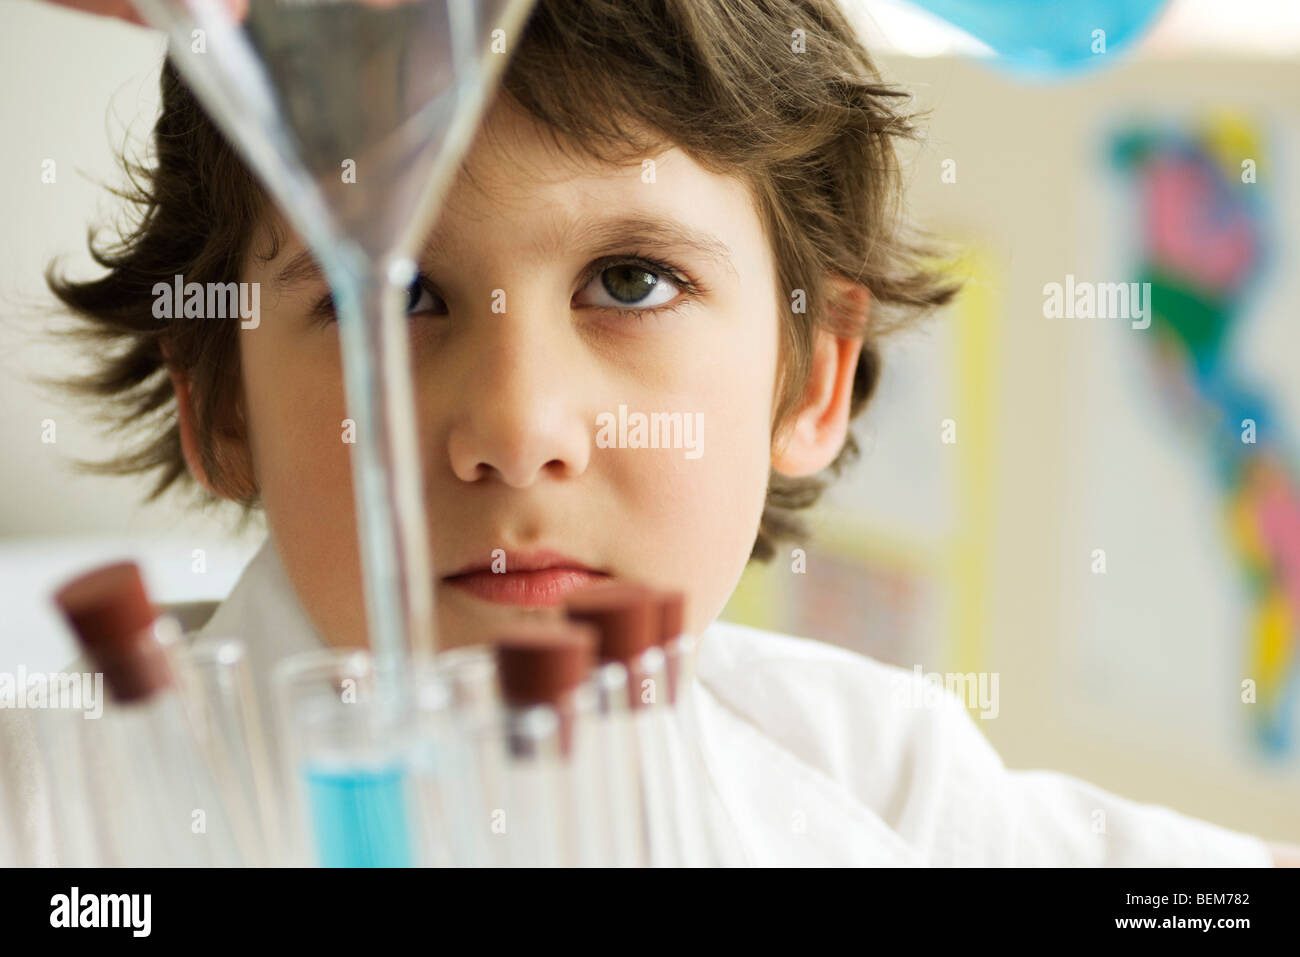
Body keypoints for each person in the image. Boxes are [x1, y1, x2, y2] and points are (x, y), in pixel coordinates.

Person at [17, 0, 1298, 866]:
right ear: (218, 410)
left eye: (629, 282)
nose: (516, 431)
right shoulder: (56, 814)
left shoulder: (873, 774)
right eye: (400, 293)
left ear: (815, 378)